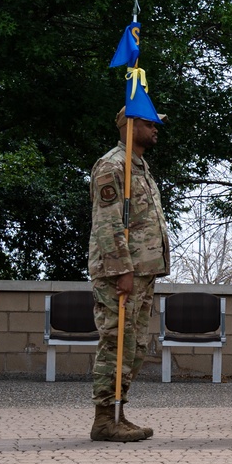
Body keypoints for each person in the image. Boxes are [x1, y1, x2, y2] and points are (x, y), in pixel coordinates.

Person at [88, 108, 171, 442]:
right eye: (150, 123)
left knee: (134, 346)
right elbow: (107, 223)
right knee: (115, 343)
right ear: (130, 125)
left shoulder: (139, 166)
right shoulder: (113, 166)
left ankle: (119, 413)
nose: (156, 129)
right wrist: (122, 269)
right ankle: (104, 418)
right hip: (120, 272)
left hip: (142, 271)